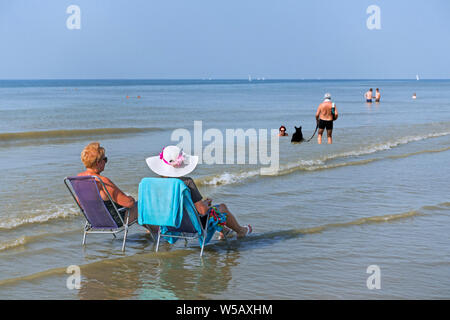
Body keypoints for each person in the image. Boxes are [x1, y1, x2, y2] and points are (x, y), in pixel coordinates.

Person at [146, 145, 252, 239]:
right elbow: (202, 211)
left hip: (166, 224)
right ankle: (241, 231)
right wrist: (206, 203)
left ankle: (225, 231)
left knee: (208, 211)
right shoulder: (186, 182)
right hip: (188, 225)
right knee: (220, 208)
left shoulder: (155, 184)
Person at [78, 142, 155, 233]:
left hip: (95, 220)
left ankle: (150, 233)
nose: (106, 162)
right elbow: (128, 203)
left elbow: (81, 204)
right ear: (98, 162)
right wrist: (131, 199)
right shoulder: (102, 181)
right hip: (114, 220)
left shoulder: (78, 179)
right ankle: (158, 234)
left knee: (136, 209)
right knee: (143, 205)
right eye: (105, 159)